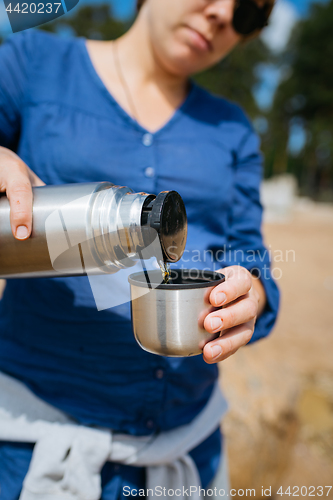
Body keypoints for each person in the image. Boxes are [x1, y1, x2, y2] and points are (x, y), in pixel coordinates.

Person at [0, 0, 280, 498]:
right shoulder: (31, 64)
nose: (222, 14)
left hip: (190, 451)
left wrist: (253, 294)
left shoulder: (232, 130)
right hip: (34, 451)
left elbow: (251, 257)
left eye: (247, 15)